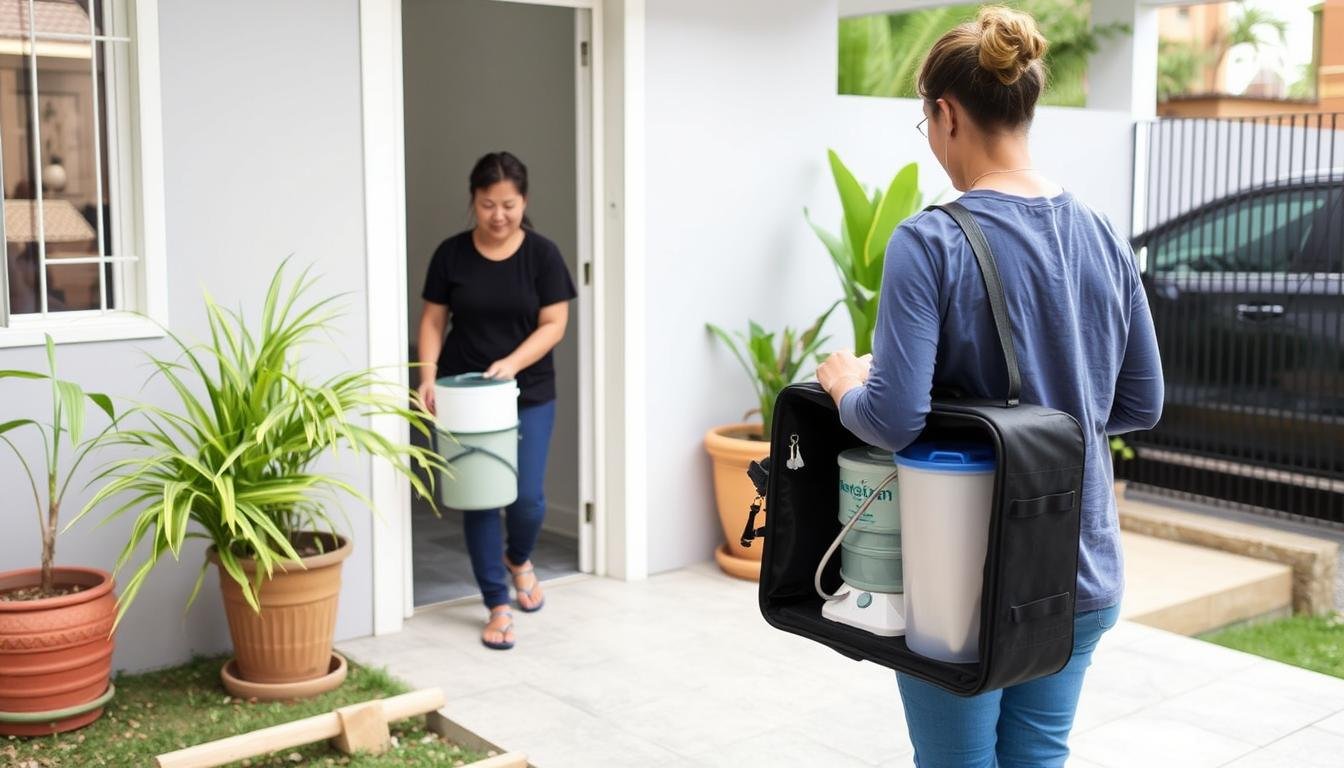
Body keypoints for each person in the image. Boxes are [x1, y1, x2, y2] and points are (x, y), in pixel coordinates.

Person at [816, 6, 1164, 766]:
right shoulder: (1104, 233)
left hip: (962, 581)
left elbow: (895, 419)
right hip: (1080, 567)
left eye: (926, 122)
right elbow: (1140, 403)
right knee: (1038, 758)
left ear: (946, 114)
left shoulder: (930, 240)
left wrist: (845, 385)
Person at [417, 151, 577, 651]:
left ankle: (518, 558)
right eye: (488, 205)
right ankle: (496, 604)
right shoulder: (451, 255)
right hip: (465, 394)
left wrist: (512, 362)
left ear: (524, 201)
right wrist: (427, 378)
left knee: (527, 499)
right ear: (474, 200)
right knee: (480, 498)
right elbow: (433, 320)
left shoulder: (543, 255)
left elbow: (555, 323)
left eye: (508, 205)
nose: (498, 215)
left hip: (528, 391)